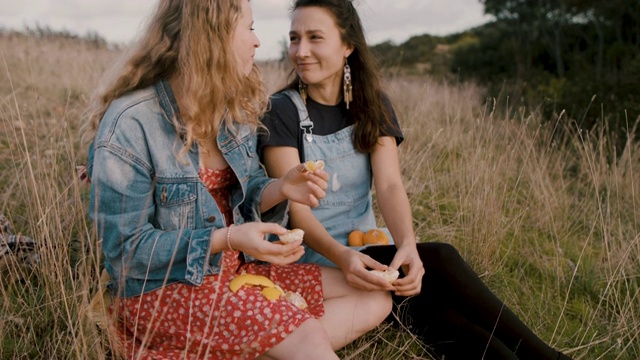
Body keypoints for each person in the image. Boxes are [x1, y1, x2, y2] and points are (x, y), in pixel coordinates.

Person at [258, 0, 573, 359]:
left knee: (444, 319)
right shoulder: (280, 110)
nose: (301, 51)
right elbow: (296, 211)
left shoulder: (372, 105)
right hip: (317, 256)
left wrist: (407, 244)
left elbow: (390, 185)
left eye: (315, 38)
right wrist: (344, 257)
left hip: (370, 249)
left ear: (348, 46)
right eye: (295, 38)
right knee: (440, 257)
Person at [84, 1, 391, 359]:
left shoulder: (231, 111)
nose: (258, 41)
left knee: (373, 297)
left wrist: (280, 188)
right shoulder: (132, 125)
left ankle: (260, 346)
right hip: (165, 289)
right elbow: (125, 252)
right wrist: (225, 239)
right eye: (248, 28)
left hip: (237, 272)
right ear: (211, 37)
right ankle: (292, 342)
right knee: (305, 333)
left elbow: (248, 193)